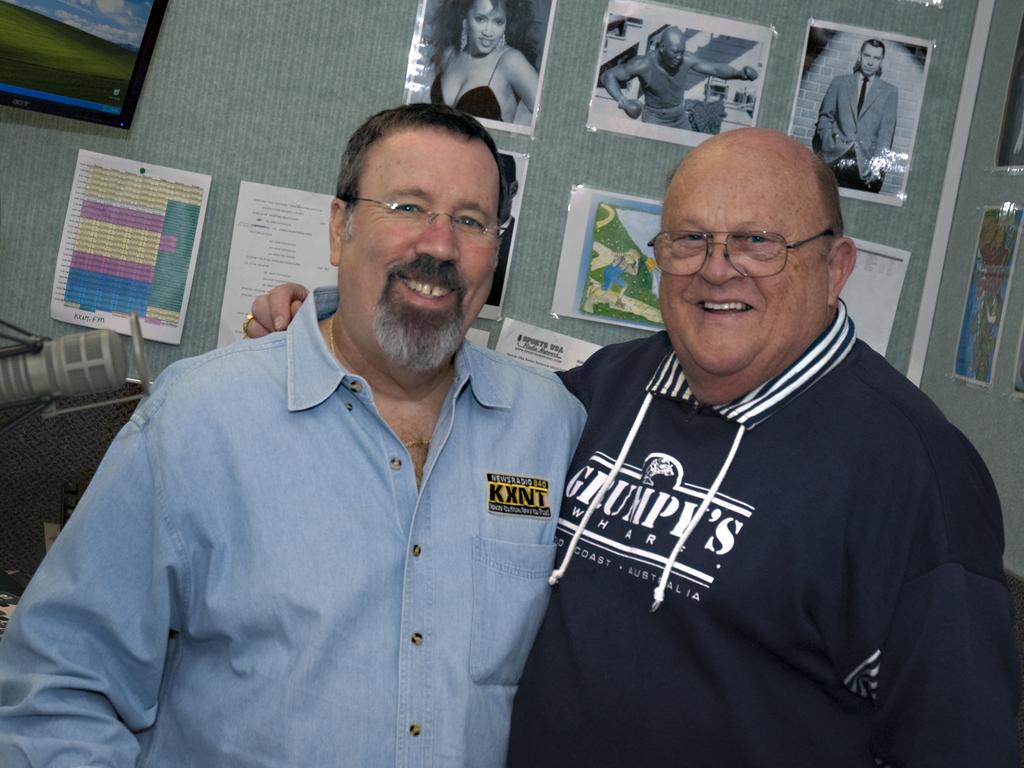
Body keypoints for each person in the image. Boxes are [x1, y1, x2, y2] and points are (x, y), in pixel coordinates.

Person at [249, 128, 1020, 767]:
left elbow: (957, 746)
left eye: (759, 241)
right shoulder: (614, 388)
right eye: (689, 239)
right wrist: (331, 329)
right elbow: (455, 390)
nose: (717, 269)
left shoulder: (916, 474)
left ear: (835, 267)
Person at [0, 104, 586, 767]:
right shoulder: (201, 416)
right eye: (407, 206)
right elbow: (58, 687)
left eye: (471, 221)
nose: (440, 245)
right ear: (340, 229)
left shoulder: (553, 429)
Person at [600, 24, 758, 133]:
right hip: (654, 118)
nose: (679, 57)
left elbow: (715, 68)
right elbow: (608, 76)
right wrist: (623, 101)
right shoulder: (643, 64)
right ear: (661, 48)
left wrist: (739, 73)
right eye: (675, 52)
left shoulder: (686, 59)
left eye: (682, 51)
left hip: (679, 116)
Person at [427, 0, 539, 125]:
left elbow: (550, 114)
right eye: (480, 19)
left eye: (498, 22)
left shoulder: (510, 61)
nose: (488, 32)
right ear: (465, 17)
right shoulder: (449, 56)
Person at [813, 38, 899, 193]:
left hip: (864, 168)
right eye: (867, 56)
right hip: (834, 159)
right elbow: (825, 117)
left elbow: (886, 136)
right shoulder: (839, 83)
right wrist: (827, 143)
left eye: (876, 58)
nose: (870, 62)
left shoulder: (889, 92)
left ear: (881, 61)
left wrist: (877, 168)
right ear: (860, 56)